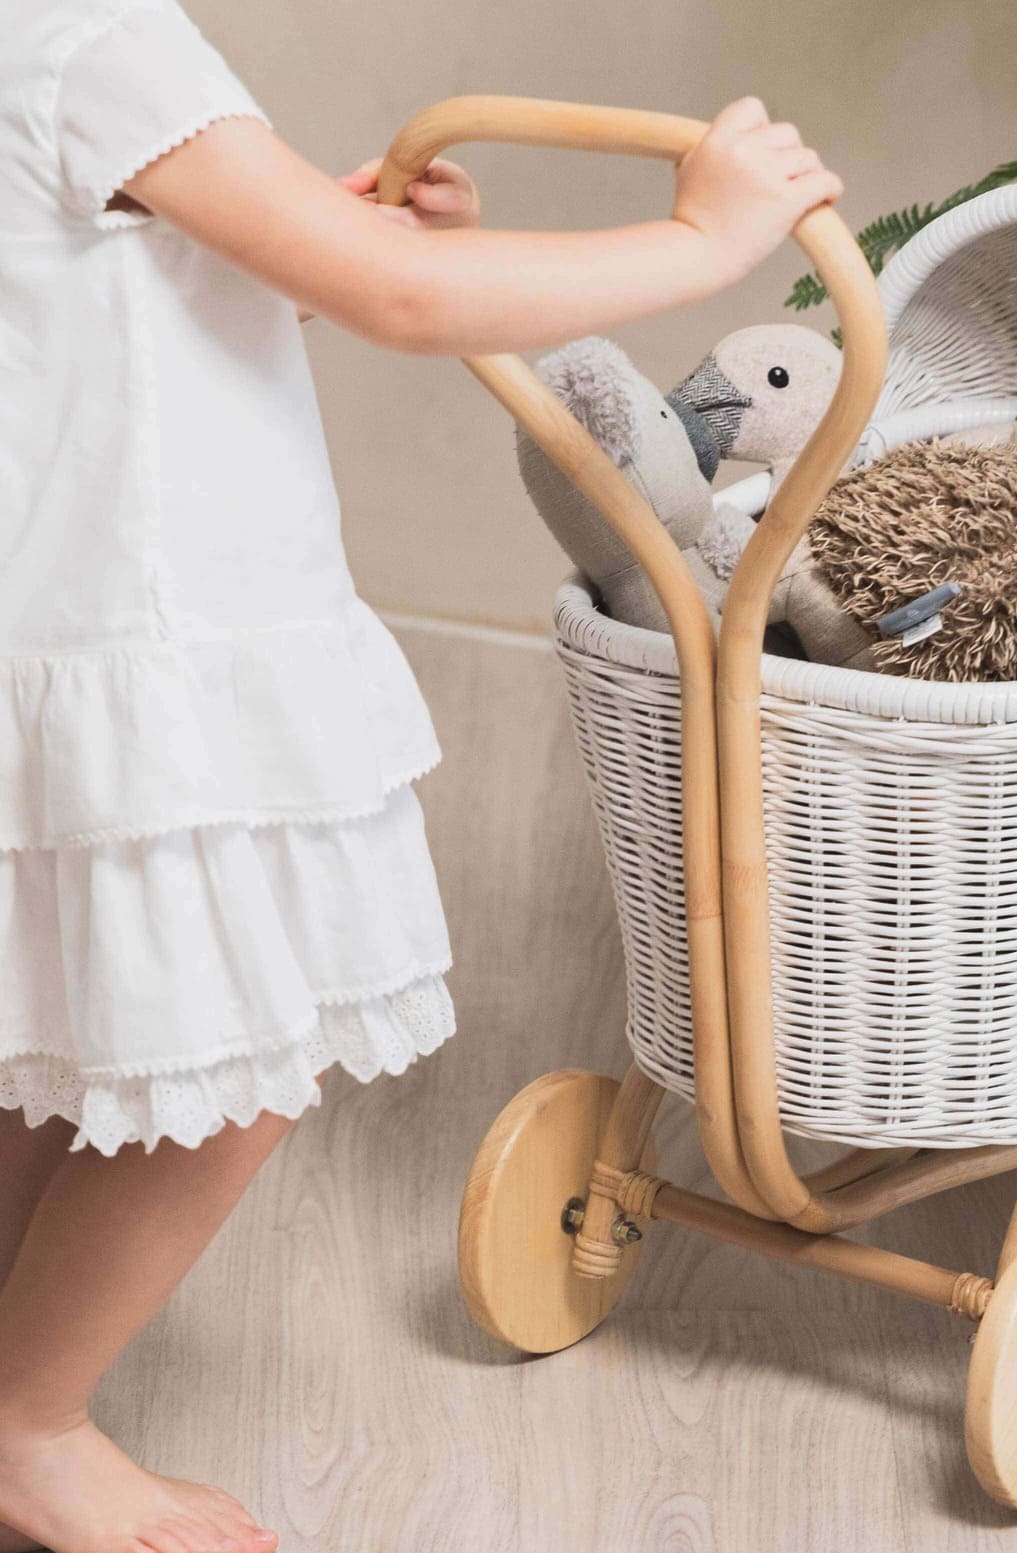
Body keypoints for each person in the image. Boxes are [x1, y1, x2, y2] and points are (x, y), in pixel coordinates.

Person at [0, 4, 843, 1548]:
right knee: (233, 1060)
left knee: (68, 1028)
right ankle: (29, 1419)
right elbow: (399, 299)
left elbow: (91, 290)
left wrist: (302, 231)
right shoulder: (95, 42)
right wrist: (699, 239)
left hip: (57, 619)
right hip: (161, 637)